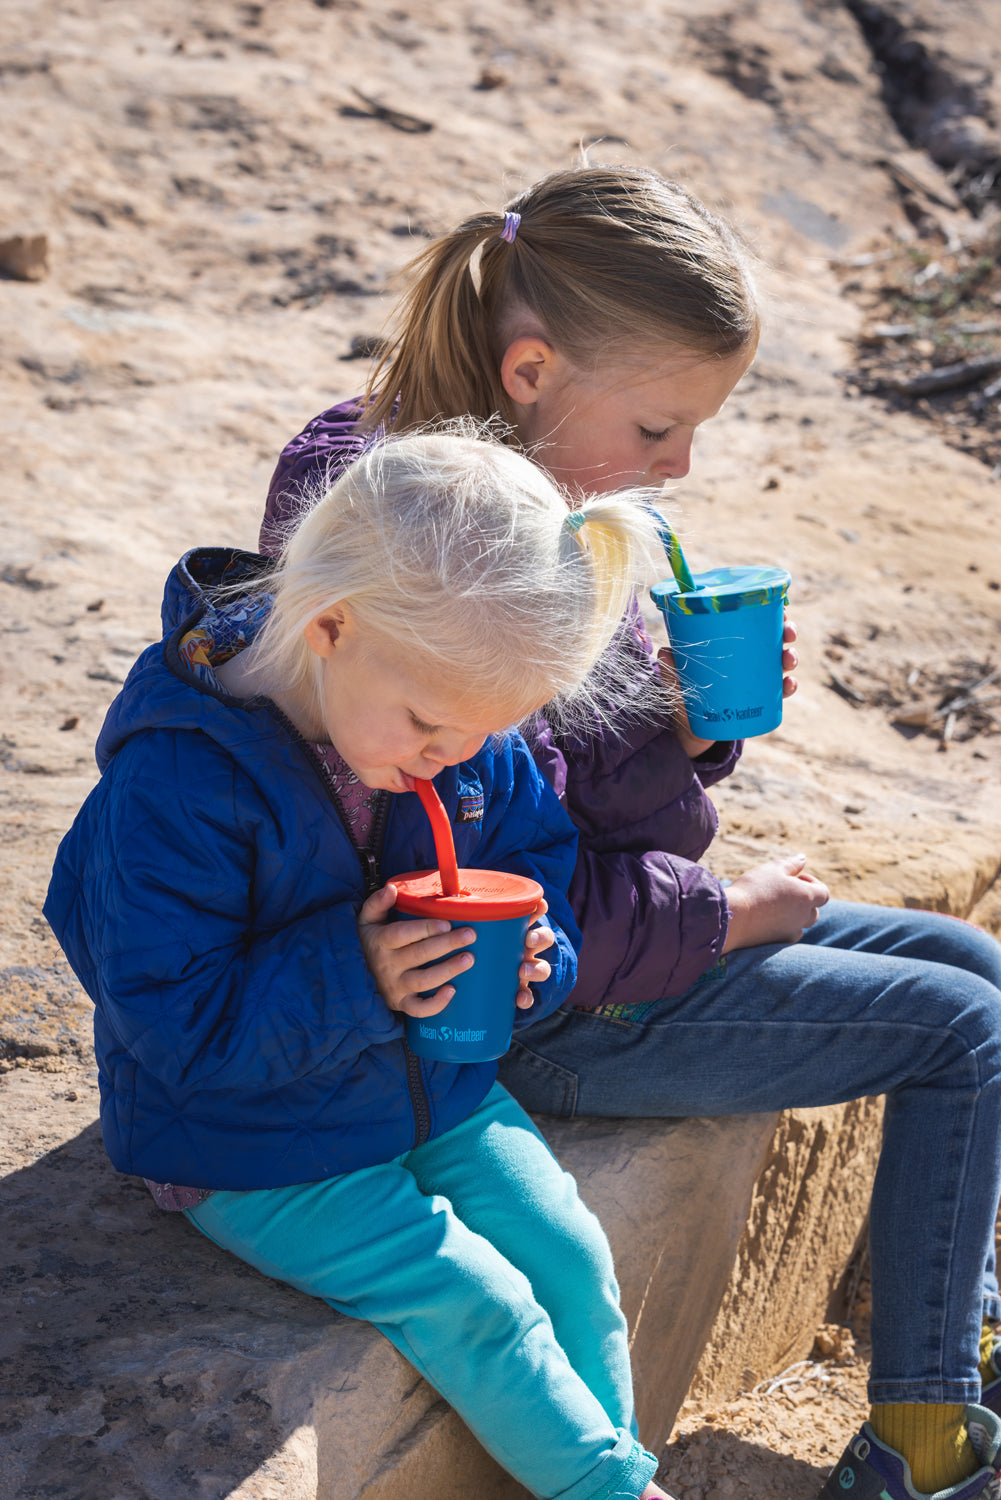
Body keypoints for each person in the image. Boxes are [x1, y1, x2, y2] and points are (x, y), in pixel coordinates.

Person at [260, 165, 1001, 1500]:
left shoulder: (576, 514)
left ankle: (960, 1326)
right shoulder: (419, 536)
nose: (680, 465)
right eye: (661, 425)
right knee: (963, 1030)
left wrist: (690, 717)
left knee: (976, 966)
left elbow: (592, 782)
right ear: (533, 367)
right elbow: (498, 850)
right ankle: (925, 1436)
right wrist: (729, 917)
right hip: (527, 993)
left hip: (611, 927)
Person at [44, 429, 679, 1500]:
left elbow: (532, 854)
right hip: (249, 1143)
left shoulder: (451, 723)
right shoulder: (177, 782)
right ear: (329, 626)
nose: (454, 758)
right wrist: (358, 977)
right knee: (471, 1302)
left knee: (567, 1252)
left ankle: (607, 1467)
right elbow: (172, 1023)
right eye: (433, 727)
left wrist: (541, 953)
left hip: (430, 1088)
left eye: (486, 735)